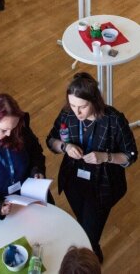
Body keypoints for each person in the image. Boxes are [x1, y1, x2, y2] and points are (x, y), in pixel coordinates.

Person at [46, 72, 137, 263]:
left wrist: (105, 157)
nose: (76, 112)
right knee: (84, 222)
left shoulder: (114, 120)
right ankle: (92, 244)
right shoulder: (67, 114)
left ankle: (91, 248)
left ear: (95, 101)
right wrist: (65, 146)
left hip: (103, 185)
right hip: (73, 179)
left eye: (82, 107)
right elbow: (51, 140)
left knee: (89, 232)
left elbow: (130, 156)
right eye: (72, 105)